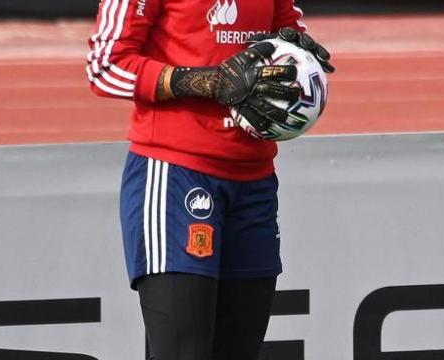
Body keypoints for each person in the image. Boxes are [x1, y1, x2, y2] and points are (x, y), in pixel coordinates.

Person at [86, 1, 334, 359]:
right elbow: (105, 66)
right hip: (174, 175)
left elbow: (285, 30)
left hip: (254, 182)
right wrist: (200, 81)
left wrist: (294, 52)